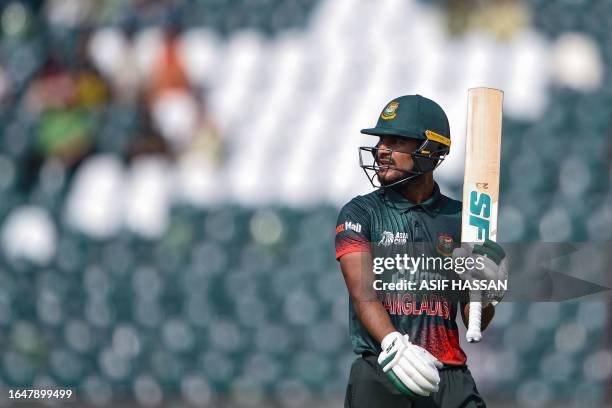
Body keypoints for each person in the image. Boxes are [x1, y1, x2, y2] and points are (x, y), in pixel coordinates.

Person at [335, 95, 506, 408]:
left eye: (397, 140)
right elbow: (363, 294)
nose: (381, 150)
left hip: (448, 375)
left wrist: (488, 290)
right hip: (382, 369)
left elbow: (475, 320)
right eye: (381, 140)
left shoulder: (464, 219)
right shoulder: (360, 212)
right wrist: (393, 343)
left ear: (430, 151)